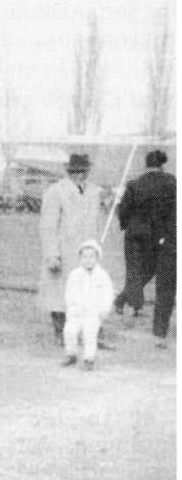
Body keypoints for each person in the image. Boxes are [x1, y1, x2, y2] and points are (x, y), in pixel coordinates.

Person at [38, 153, 107, 345]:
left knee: (90, 294)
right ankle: (61, 333)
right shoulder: (56, 191)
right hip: (64, 251)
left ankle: (92, 334)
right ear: (69, 171)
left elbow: (97, 222)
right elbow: (48, 226)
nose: (80, 175)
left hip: (87, 253)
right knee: (60, 294)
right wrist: (52, 255)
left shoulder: (94, 192)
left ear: (87, 171)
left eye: (83, 171)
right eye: (76, 171)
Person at [115, 149, 176, 346]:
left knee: (135, 272)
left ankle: (126, 306)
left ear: (146, 165)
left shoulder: (134, 184)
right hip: (163, 238)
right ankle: (159, 332)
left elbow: (123, 211)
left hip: (136, 236)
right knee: (165, 283)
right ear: (162, 165)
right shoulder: (171, 182)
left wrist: (127, 226)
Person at [62, 240, 114, 371]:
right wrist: (71, 307)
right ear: (79, 258)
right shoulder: (75, 275)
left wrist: (104, 308)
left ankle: (89, 359)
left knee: (90, 335)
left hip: (93, 312)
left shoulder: (102, 276)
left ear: (98, 258)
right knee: (69, 332)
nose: (88, 260)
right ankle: (71, 354)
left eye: (91, 257)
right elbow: (69, 292)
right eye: (84, 257)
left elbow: (108, 294)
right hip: (77, 311)